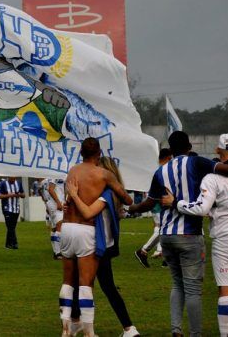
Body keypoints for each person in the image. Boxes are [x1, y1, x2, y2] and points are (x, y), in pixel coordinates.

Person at [128, 131, 228, 337]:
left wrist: (131, 209)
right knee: (193, 290)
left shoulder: (160, 172)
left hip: (166, 236)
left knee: (177, 285)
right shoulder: (195, 162)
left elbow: (148, 203)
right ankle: (195, 334)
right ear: (189, 147)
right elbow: (225, 168)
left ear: (170, 151)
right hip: (189, 235)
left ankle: (176, 330)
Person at [162, 134, 228, 336]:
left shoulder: (212, 177)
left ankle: (226, 334)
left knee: (226, 290)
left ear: (218, 151)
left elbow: (202, 209)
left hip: (226, 237)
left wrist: (176, 203)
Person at [59, 138, 133, 337]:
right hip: (85, 229)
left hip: (66, 228)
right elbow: (127, 198)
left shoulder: (72, 170)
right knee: (85, 283)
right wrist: (119, 194)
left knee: (68, 282)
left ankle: (66, 328)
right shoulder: (104, 174)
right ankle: (89, 332)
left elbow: (69, 199)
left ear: (81, 152)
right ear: (98, 154)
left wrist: (70, 200)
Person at [134, 148, 173, 268]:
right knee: (163, 229)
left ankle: (166, 257)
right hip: (158, 204)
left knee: (166, 229)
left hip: (158, 204)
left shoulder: (158, 170)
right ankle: (144, 250)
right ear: (168, 158)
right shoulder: (161, 171)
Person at [0, 177, 25, 250]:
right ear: (8, 177)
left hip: (16, 209)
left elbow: (23, 195)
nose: (13, 180)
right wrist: (10, 195)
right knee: (10, 227)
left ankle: (7, 244)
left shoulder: (18, 183)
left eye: (14, 179)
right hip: (7, 208)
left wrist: (19, 194)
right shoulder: (3, 183)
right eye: (12, 179)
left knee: (12, 227)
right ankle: (15, 243)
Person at [48, 178, 66, 260]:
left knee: (55, 228)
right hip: (56, 204)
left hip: (54, 203)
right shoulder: (55, 175)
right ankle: (58, 253)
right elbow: (50, 189)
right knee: (60, 225)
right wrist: (58, 202)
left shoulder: (63, 175)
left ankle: (56, 251)